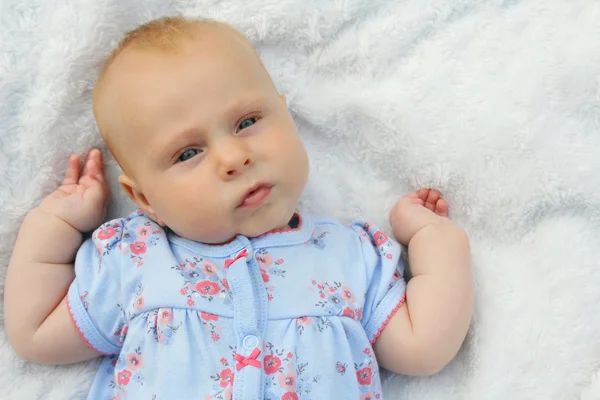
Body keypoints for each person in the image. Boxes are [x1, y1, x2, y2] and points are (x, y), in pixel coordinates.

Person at [4, 16, 473, 400]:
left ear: (286, 116)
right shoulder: (134, 262)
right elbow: (35, 332)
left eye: (247, 122)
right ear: (146, 199)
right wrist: (57, 222)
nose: (233, 158)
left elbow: (425, 347)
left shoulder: (346, 256)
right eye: (188, 153)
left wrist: (434, 239)